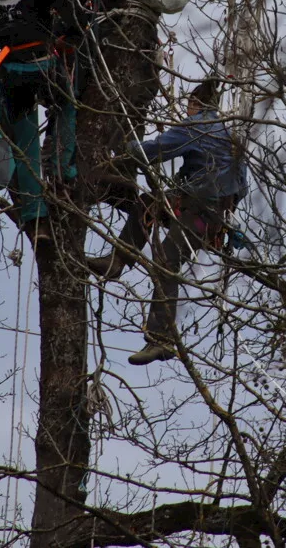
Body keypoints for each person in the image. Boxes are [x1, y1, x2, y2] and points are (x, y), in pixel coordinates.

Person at [89, 78, 249, 365]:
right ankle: (117, 260)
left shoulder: (196, 126)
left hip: (199, 213)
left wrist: (123, 148)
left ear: (195, 104)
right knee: (147, 203)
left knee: (166, 262)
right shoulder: (231, 137)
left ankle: (161, 340)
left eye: (188, 106)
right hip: (210, 215)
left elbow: (155, 149)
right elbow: (242, 187)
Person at [0, 0, 83, 242]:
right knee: (66, 104)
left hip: (10, 67)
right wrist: (66, 37)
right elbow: (73, 22)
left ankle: (36, 219)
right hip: (42, 62)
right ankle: (64, 169)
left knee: (25, 142)